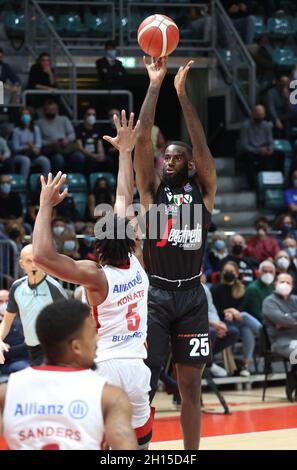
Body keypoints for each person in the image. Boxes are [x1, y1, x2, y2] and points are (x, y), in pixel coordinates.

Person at [32, 112, 154, 449]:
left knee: (93, 441)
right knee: (137, 441)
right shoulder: (138, 260)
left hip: (103, 366)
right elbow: (123, 200)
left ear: (97, 247)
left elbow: (42, 255)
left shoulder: (96, 277)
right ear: (131, 239)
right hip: (137, 367)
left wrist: (45, 205)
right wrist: (125, 153)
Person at [133, 57, 217, 450]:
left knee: (190, 385)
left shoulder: (204, 191)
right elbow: (142, 147)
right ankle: (141, 449)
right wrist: (155, 85)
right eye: (165, 156)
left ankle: (190, 454)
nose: (168, 160)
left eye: (175, 157)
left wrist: (182, 95)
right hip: (157, 296)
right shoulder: (151, 193)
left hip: (192, 296)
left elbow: (201, 144)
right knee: (146, 381)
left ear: (190, 164)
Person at [0, 299, 137, 450]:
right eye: (93, 334)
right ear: (76, 347)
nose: (98, 339)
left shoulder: (7, 392)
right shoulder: (110, 396)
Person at [0, 244, 68, 366]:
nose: (33, 265)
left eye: (36, 260)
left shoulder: (54, 288)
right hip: (31, 349)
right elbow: (6, 322)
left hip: (52, 348)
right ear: (21, 264)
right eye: (28, 261)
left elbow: (71, 321)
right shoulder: (16, 287)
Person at [211, 261, 262, 376]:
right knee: (245, 322)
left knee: (245, 324)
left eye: (232, 271)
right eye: (226, 271)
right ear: (222, 273)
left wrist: (234, 313)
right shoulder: (215, 289)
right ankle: (263, 333)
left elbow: (242, 307)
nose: (229, 273)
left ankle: (245, 366)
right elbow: (215, 310)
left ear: (237, 273)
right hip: (222, 322)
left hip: (238, 320)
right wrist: (227, 312)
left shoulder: (242, 289)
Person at [262, 273, 297, 401]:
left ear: (292, 286)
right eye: (282, 281)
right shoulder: (269, 301)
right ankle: (293, 377)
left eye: (288, 282)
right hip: (281, 342)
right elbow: (281, 319)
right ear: (275, 283)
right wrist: (286, 320)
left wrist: (288, 317)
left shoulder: (295, 299)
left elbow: (284, 320)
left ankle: (293, 375)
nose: (285, 285)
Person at [37, 100, 85, 174]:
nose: (51, 112)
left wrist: (67, 140)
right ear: (45, 110)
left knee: (79, 157)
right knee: (59, 159)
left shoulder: (64, 119)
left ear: (56, 110)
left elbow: (72, 134)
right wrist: (50, 143)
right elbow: (38, 140)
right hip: (51, 149)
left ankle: (73, 178)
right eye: (48, 110)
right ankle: (57, 180)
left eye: (53, 110)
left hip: (65, 147)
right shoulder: (39, 123)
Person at [202, 282, 239, 378]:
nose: (203, 275)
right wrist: (212, 324)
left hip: (209, 323)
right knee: (212, 332)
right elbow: (192, 314)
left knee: (232, 332)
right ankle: (209, 363)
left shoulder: (205, 288)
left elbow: (211, 309)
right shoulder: (184, 289)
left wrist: (218, 323)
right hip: (190, 325)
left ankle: (206, 360)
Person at [239, 105, 281, 188]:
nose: (259, 116)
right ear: (253, 114)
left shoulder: (267, 126)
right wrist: (258, 150)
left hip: (264, 151)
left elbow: (270, 142)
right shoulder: (245, 126)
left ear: (264, 115)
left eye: (261, 114)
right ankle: (253, 185)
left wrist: (270, 149)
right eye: (258, 114)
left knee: (279, 155)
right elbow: (244, 145)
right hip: (252, 151)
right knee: (248, 157)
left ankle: (275, 183)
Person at [12, 108, 51, 181]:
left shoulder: (35, 129)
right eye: (23, 115)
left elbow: (39, 144)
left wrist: (33, 147)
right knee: (26, 160)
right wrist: (27, 146)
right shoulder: (16, 131)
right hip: (20, 155)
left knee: (45, 161)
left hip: (33, 154)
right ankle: (22, 183)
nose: (25, 116)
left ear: (31, 116)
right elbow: (16, 148)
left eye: (27, 114)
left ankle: (46, 183)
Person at [0, 289, 29, 376]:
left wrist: (9, 348)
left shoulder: (19, 322)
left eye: (7, 301)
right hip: (9, 364)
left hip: (27, 359)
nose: (4, 305)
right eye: (1, 301)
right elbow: (4, 355)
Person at [76, 107, 106, 174]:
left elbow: (99, 144)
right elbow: (80, 148)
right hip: (84, 154)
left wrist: (101, 154)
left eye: (93, 114)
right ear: (85, 116)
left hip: (95, 154)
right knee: (90, 160)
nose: (91, 116)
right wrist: (93, 155)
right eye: (89, 114)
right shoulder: (79, 129)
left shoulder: (97, 129)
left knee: (108, 160)